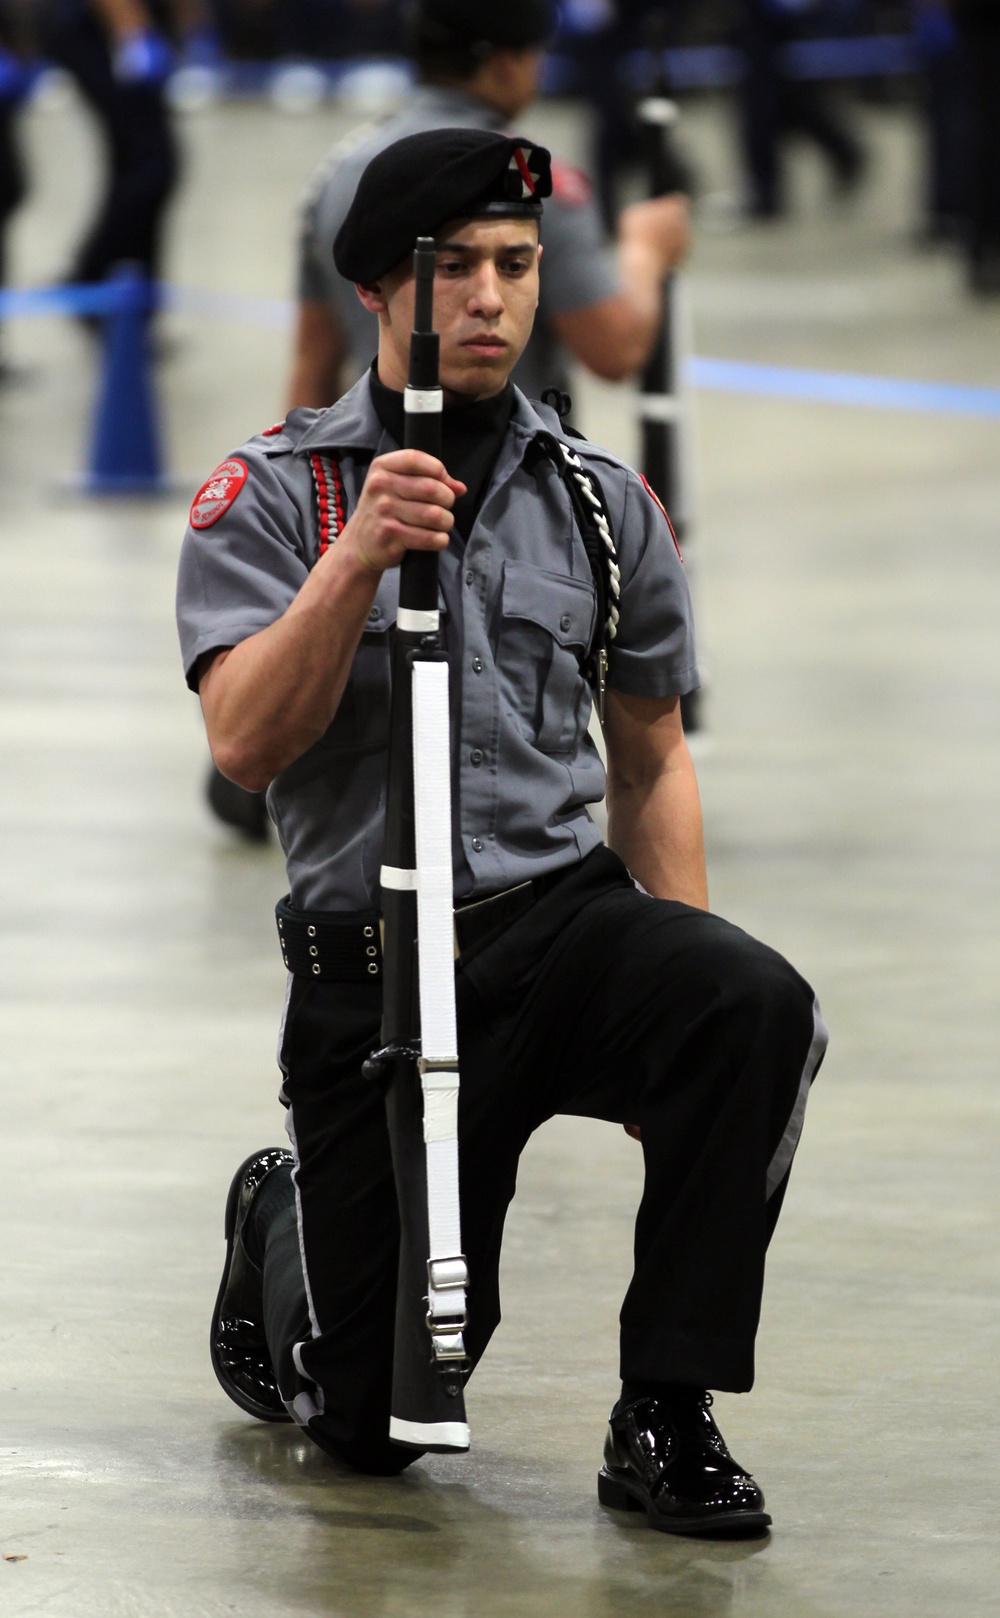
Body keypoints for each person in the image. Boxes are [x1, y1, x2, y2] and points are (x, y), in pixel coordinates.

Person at [177, 128, 827, 1536]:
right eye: (456, 267)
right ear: (378, 288)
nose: (489, 298)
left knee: (752, 1002)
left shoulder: (603, 505)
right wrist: (353, 564)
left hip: (555, 922)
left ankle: (667, 1409)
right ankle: (286, 1238)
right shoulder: (278, 493)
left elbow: (649, 757)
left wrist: (685, 976)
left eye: (517, 266)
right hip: (375, 974)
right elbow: (243, 743)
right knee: (380, 1422)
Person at [289, 0, 690, 410]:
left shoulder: (339, 174)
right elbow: (613, 349)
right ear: (506, 64)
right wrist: (645, 250)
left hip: (375, 461)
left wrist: (309, 472)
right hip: (516, 465)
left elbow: (310, 374)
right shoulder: (529, 176)